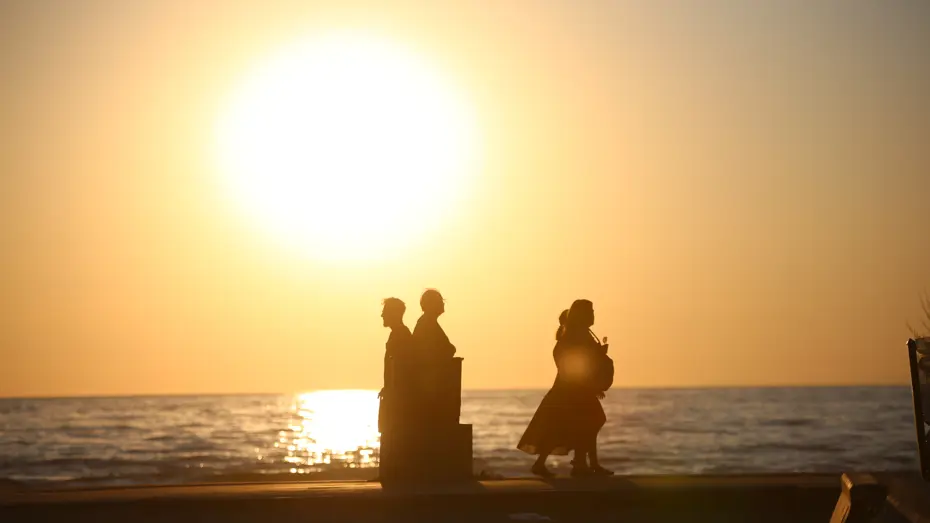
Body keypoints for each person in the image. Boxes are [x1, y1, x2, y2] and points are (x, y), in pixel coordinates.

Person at [517, 301, 612, 477]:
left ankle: (582, 464)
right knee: (589, 422)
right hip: (573, 391)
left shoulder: (579, 335)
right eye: (590, 311)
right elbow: (576, 363)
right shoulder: (576, 337)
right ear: (582, 315)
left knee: (564, 427)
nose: (593, 314)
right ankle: (582, 465)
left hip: (571, 390)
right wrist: (598, 359)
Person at [378, 297, 412, 472]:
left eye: (385, 312)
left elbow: (401, 368)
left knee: (395, 432)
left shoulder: (402, 335)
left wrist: (392, 390)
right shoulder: (397, 334)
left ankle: (395, 472)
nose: (382, 315)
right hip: (394, 393)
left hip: (398, 397)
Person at [411, 289, 456, 359]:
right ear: (432, 304)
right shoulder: (427, 323)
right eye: (440, 301)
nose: (443, 303)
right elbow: (445, 348)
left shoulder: (428, 321)